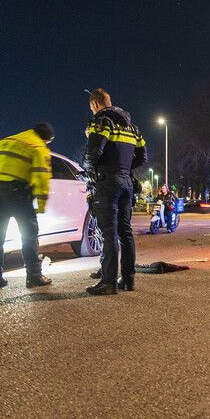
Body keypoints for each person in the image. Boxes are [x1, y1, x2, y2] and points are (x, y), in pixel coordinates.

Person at [83, 88, 147, 295]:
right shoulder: (133, 128)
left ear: (95, 105)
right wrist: (125, 169)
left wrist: (89, 173)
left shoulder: (101, 122)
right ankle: (128, 280)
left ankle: (108, 282)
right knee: (125, 233)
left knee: (108, 233)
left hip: (107, 183)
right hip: (126, 183)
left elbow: (93, 152)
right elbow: (142, 157)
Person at [0, 123, 55, 290]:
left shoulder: (7, 141)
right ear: (46, 139)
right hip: (18, 194)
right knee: (29, 234)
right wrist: (41, 205)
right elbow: (42, 178)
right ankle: (34, 277)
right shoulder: (39, 147)